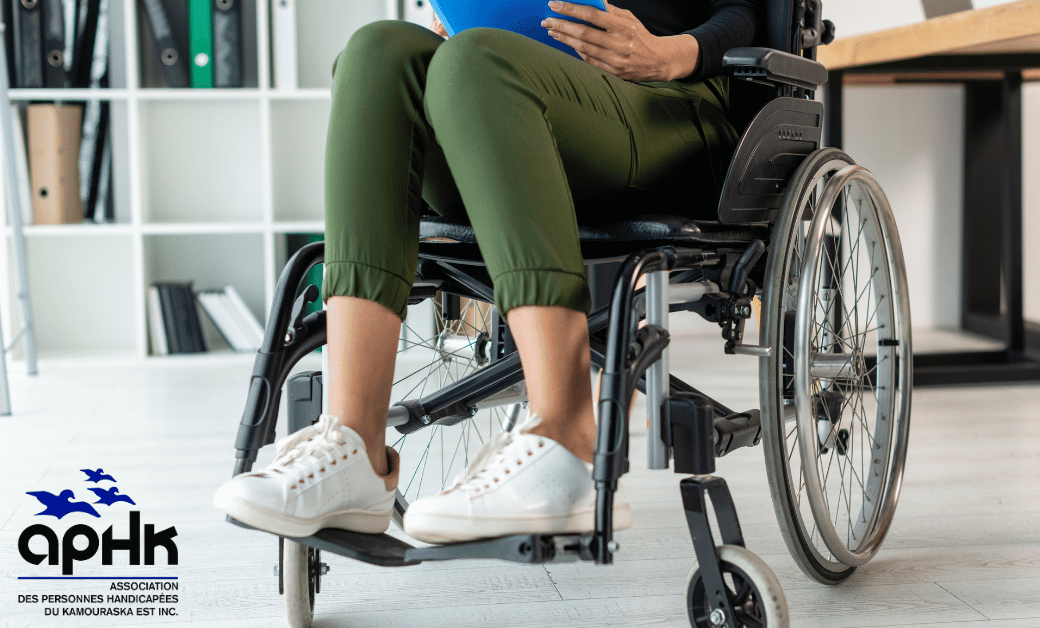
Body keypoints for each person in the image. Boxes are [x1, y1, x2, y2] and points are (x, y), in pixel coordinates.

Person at [214, 0, 756, 544]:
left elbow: (746, 10)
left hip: (666, 104)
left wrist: (668, 55)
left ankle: (564, 438)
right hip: (511, 96)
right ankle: (354, 446)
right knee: (377, 51)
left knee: (477, 61)